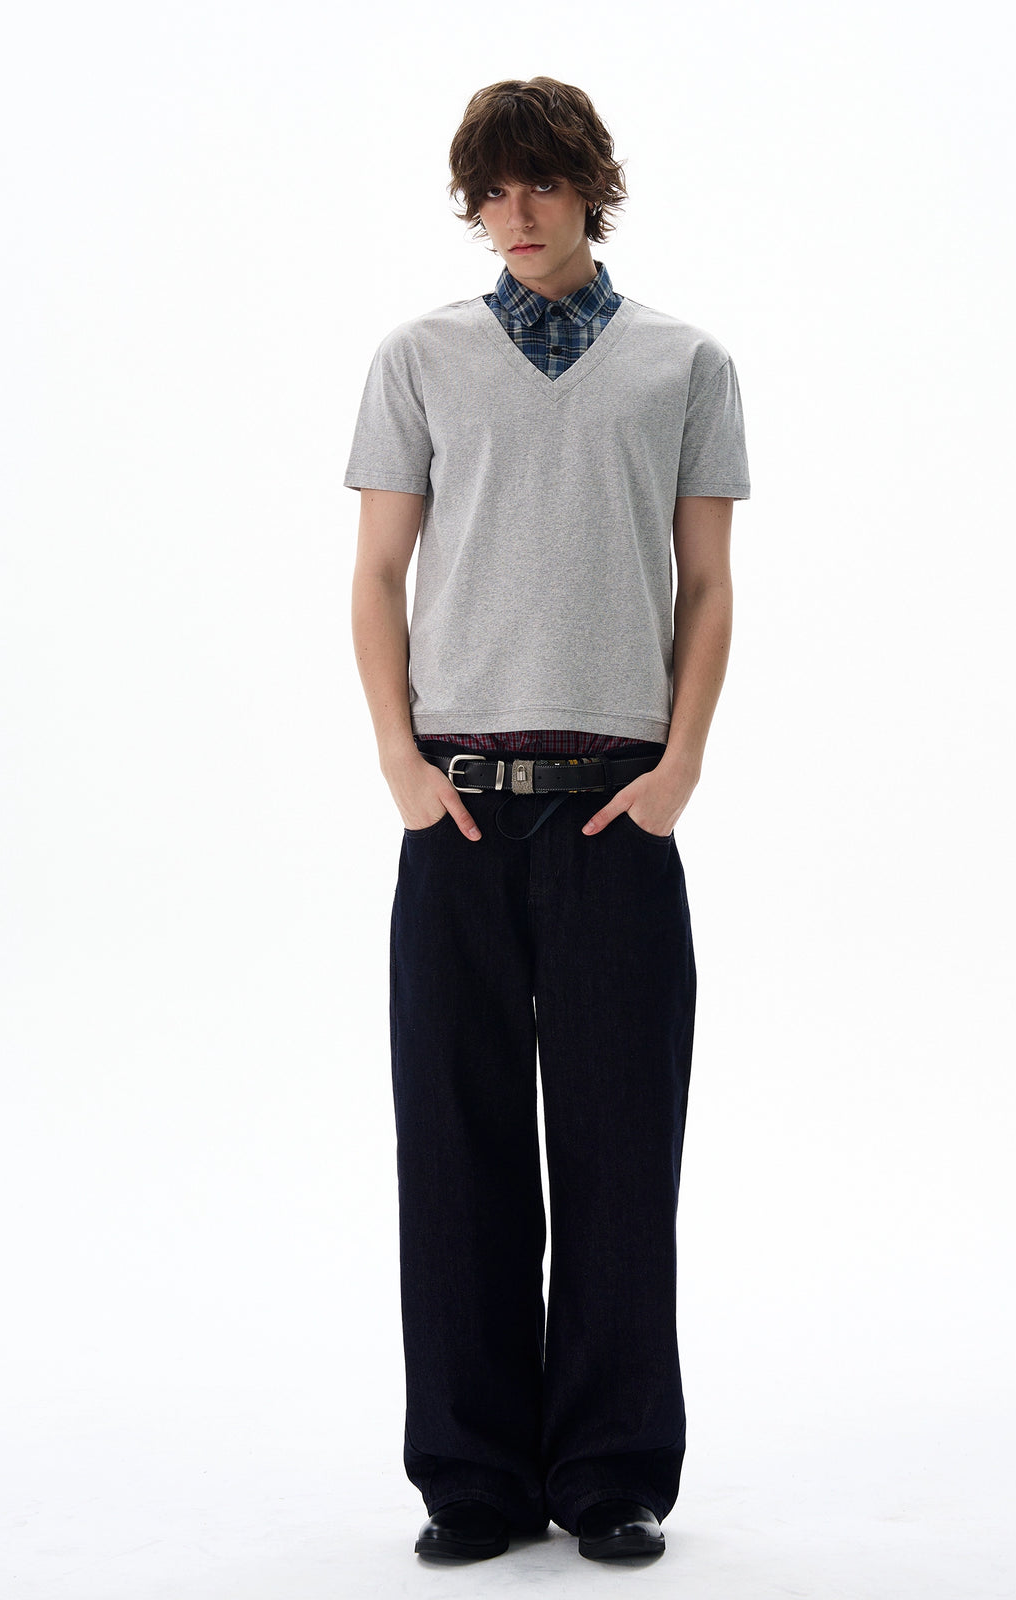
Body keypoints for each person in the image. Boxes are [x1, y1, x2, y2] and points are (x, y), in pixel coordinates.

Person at [344, 76, 750, 1563]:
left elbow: (708, 585)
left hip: (614, 818)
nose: (514, 214)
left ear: (591, 188)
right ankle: (471, 1477)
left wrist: (679, 769)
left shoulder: (685, 363)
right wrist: (400, 762)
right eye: (491, 191)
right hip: (455, 812)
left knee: (620, 1149)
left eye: (539, 184)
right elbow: (376, 571)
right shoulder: (420, 358)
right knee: (454, 1152)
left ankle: (613, 1472)